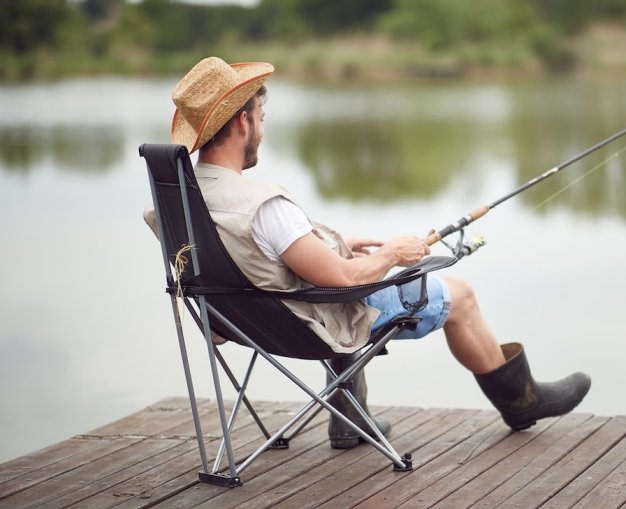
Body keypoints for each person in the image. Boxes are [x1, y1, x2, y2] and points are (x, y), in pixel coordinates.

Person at [157, 56, 591, 449]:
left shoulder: (179, 200)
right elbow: (342, 281)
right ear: (241, 124)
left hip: (248, 323)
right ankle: (522, 403)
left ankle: (349, 420)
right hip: (311, 320)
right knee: (461, 296)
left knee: (343, 278)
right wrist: (394, 254)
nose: (262, 129)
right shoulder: (264, 205)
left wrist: (341, 245)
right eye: (262, 117)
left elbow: (258, 258)